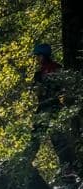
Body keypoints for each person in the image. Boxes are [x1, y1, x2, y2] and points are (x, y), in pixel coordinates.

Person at [25, 43, 78, 181]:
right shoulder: (53, 70)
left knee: (46, 138)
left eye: (38, 56)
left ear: (43, 56)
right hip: (51, 109)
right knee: (51, 138)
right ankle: (67, 168)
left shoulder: (46, 72)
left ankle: (67, 169)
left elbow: (39, 92)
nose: (37, 59)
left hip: (48, 108)